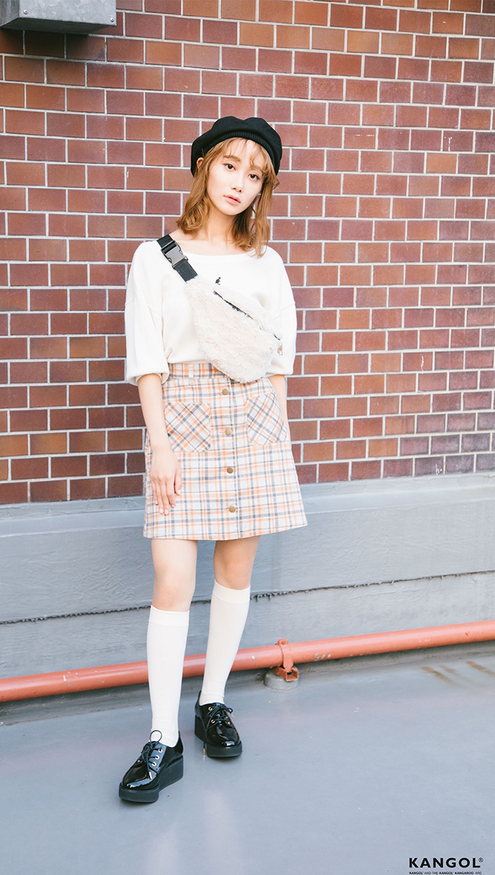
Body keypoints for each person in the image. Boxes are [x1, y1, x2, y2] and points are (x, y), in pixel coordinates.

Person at [119, 116, 307, 802]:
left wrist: (274, 439)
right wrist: (160, 445)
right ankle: (162, 737)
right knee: (172, 578)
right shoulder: (154, 257)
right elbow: (147, 360)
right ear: (203, 166)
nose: (239, 184)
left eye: (255, 175)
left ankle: (213, 702)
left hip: (254, 421)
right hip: (183, 422)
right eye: (230, 166)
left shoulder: (267, 263)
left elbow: (278, 360)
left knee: (235, 571)